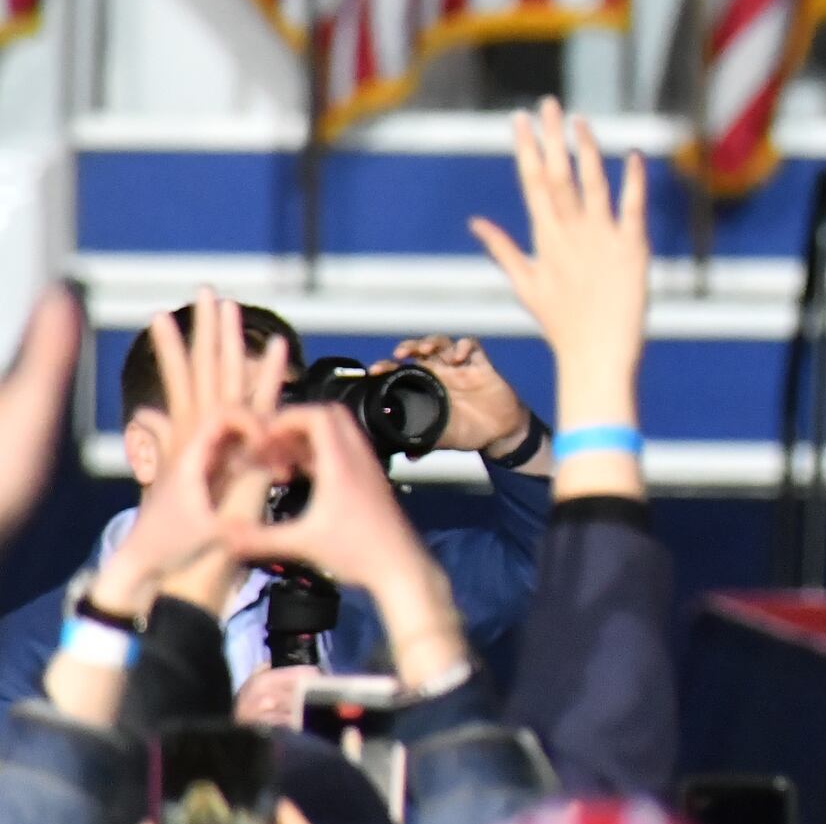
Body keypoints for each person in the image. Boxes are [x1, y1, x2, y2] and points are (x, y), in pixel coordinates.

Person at [0, 295, 552, 709]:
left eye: (279, 411)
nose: (265, 446)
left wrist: (510, 438)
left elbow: (553, 572)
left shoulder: (363, 587)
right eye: (232, 421)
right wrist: (228, 748)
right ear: (145, 451)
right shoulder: (32, 654)